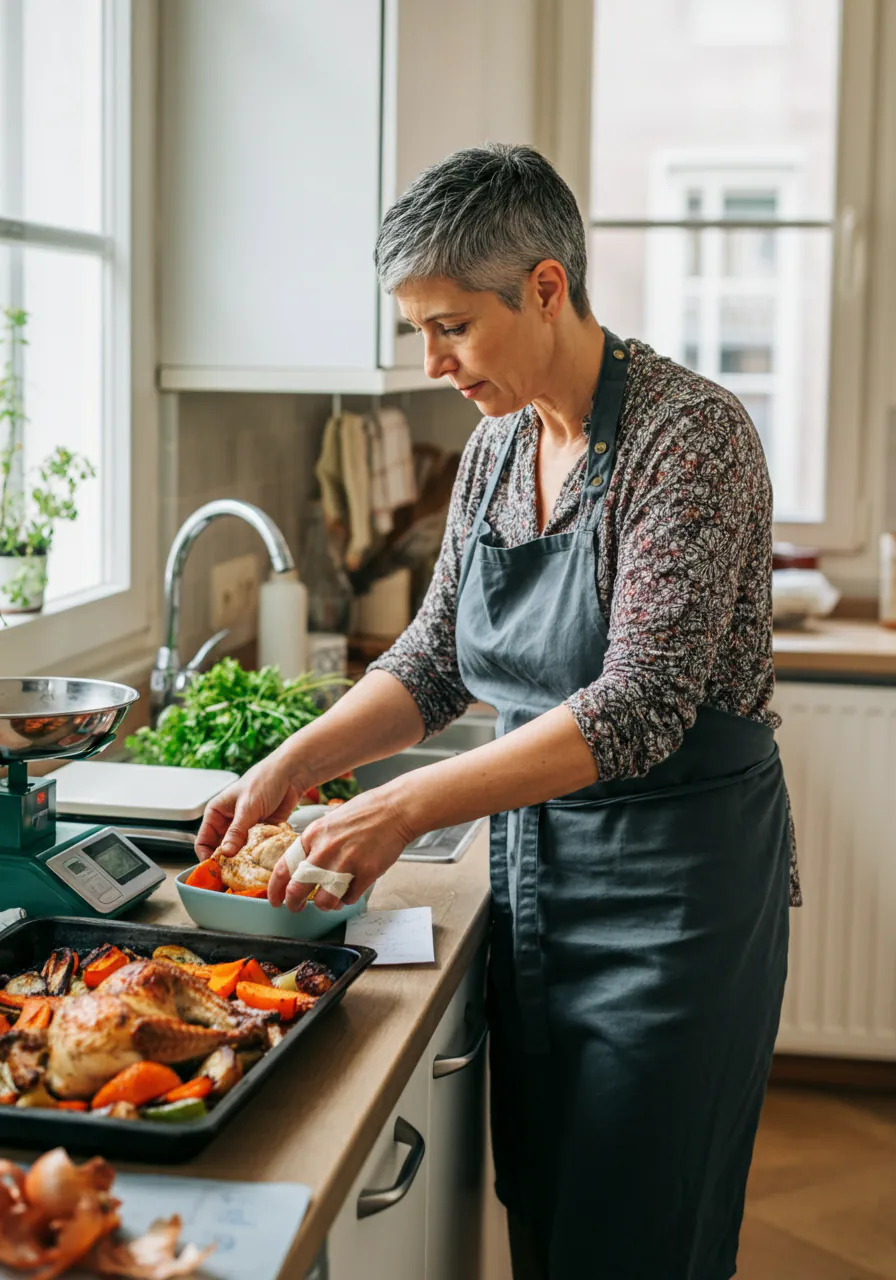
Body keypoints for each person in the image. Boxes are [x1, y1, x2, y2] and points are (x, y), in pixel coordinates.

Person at [198, 143, 798, 1280]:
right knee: (550, 1219)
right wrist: (292, 760)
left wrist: (398, 809)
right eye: (414, 330)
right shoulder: (495, 445)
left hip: (674, 901)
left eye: (450, 327)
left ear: (543, 285)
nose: (431, 362)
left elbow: (636, 707)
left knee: (638, 1228)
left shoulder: (690, 438)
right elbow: (431, 661)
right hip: (530, 882)